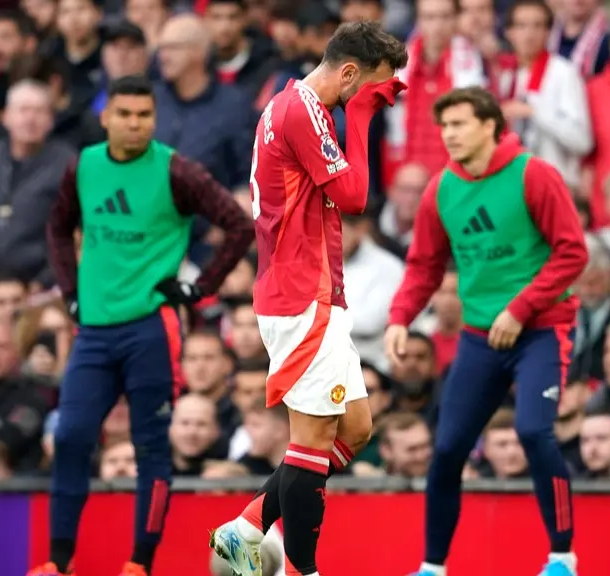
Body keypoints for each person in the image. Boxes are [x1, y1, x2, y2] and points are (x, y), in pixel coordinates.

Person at [31, 75, 254, 576]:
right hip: (93, 330)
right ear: (106, 117)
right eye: (125, 114)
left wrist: (201, 287)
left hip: (151, 329)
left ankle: (140, 563)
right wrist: (69, 292)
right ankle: (58, 562)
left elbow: (240, 225)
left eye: (144, 115)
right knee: (70, 437)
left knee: (151, 446)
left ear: (154, 118)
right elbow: (57, 227)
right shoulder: (83, 166)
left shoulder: (177, 170)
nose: (135, 124)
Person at [208, 22, 408, 576]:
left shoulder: (294, 106)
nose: (373, 98)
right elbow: (356, 196)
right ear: (349, 73)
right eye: (370, 86)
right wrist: (362, 116)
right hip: (301, 295)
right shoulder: (302, 111)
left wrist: (363, 102)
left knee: (356, 428)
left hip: (313, 291)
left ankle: (247, 527)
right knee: (313, 440)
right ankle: (303, 569)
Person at [385, 86, 589, 576]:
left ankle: (562, 557)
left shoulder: (533, 174)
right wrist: (400, 317)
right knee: (447, 448)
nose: (448, 135)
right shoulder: (441, 189)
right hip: (480, 336)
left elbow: (572, 253)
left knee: (534, 431)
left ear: (491, 125)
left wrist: (520, 309)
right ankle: (432, 567)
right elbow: (423, 266)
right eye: (444, 126)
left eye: (459, 124)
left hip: (541, 328)